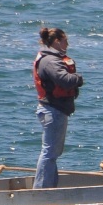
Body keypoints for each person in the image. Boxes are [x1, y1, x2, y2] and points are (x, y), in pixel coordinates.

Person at [32, 27, 83, 188]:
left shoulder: (50, 59)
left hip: (55, 110)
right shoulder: (50, 61)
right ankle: (42, 190)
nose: (67, 43)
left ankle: (49, 187)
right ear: (56, 42)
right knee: (49, 152)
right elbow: (64, 79)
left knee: (53, 152)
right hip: (53, 110)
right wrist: (78, 78)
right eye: (65, 40)